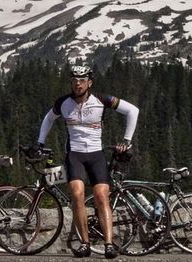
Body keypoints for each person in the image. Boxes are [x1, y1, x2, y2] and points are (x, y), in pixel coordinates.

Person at [37, 65, 139, 259]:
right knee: (77, 195)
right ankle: (85, 243)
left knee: (102, 196)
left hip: (96, 155)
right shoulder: (63, 103)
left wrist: (127, 140)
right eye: (74, 80)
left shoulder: (102, 100)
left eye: (82, 80)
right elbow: (48, 119)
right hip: (74, 155)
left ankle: (109, 244)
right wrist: (40, 142)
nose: (78, 84)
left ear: (89, 83)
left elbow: (133, 111)